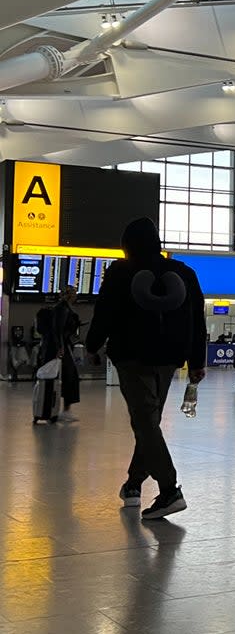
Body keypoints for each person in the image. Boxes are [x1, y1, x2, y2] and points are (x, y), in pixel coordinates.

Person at [85, 217, 205, 520]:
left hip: (132, 357)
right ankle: (134, 484)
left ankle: (169, 490)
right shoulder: (185, 273)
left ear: (128, 246)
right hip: (169, 360)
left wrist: (91, 345)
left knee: (144, 422)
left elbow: (105, 312)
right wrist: (197, 362)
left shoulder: (120, 272)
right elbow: (197, 320)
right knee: (148, 421)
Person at [40, 284, 82, 422]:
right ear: (70, 295)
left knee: (56, 378)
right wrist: (61, 347)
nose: (76, 296)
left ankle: (50, 410)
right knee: (70, 376)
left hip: (55, 346)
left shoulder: (61, 308)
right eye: (74, 293)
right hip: (59, 347)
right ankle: (65, 410)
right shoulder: (63, 309)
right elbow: (58, 329)